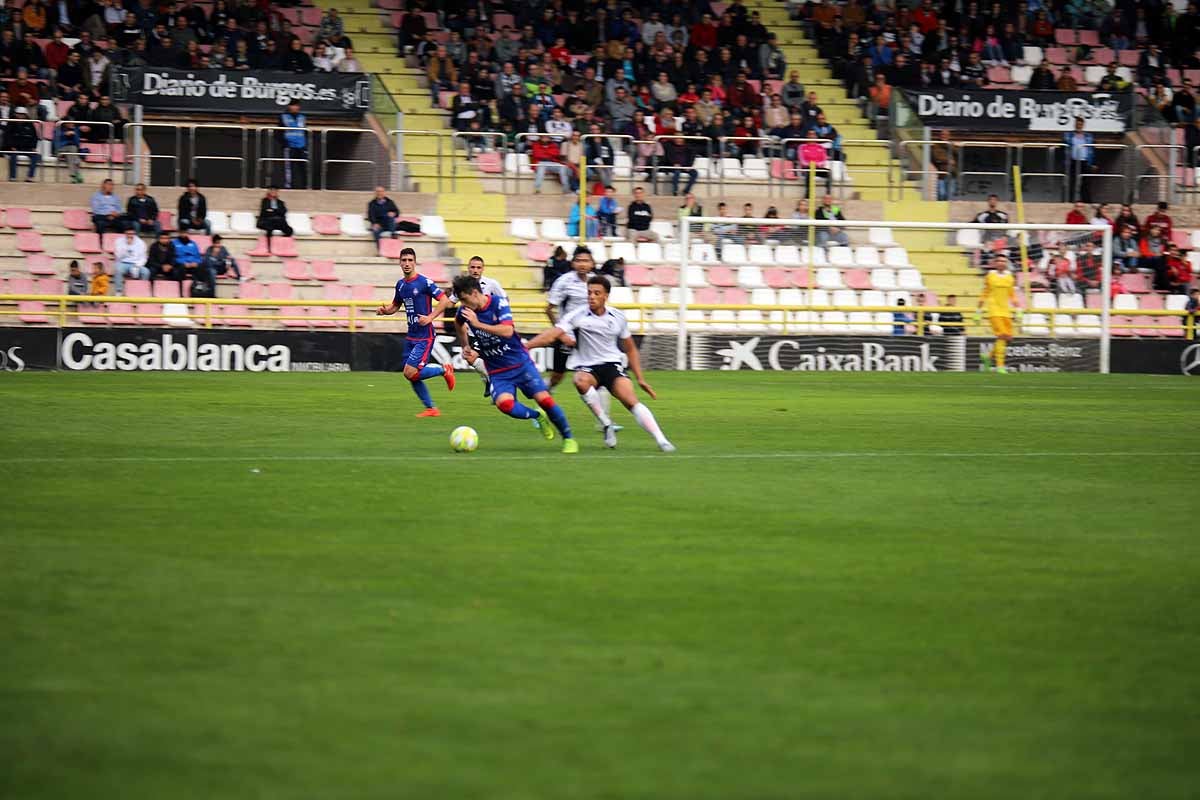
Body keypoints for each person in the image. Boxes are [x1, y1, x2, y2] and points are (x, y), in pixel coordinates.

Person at [527, 275, 674, 452]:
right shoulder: (577, 315)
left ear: (606, 296)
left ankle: (661, 440)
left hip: (612, 366)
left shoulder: (618, 316)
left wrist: (640, 379)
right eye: (589, 293)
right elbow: (553, 333)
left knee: (631, 401)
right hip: (588, 367)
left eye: (597, 293)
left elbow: (631, 349)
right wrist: (527, 345)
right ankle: (606, 423)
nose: (592, 296)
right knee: (580, 380)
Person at [451, 275, 578, 453]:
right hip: (497, 370)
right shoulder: (465, 311)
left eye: (464, 299)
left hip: (520, 363)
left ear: (474, 293)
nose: (462, 305)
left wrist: (477, 324)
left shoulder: (498, 303)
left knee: (545, 400)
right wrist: (465, 345)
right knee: (505, 405)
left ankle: (568, 439)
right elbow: (458, 323)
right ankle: (536, 416)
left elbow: (508, 330)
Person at [375, 247, 456, 417]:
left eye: (410, 260)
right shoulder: (401, 285)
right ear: (399, 262)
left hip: (424, 336)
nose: (406, 263)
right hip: (411, 335)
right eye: (403, 260)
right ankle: (431, 408)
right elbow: (396, 305)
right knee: (411, 375)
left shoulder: (424, 282)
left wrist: (430, 317)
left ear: (415, 262)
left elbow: (445, 300)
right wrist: (385, 311)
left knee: (410, 372)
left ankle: (444, 369)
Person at [447, 256, 506, 397]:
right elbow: (450, 302)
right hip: (473, 331)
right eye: (472, 267)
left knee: (479, 358)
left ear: (483, 269)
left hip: (489, 330)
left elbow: (504, 300)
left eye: (478, 267)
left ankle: (492, 382)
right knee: (470, 357)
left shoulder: (492, 284)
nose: (475, 270)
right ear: (468, 268)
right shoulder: (462, 286)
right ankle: (491, 381)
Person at [545, 247, 595, 391]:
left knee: (599, 372)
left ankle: (603, 413)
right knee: (557, 376)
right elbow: (548, 310)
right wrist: (561, 333)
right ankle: (544, 396)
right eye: (578, 261)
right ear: (573, 263)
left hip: (589, 335)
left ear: (592, 264)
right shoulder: (564, 281)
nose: (582, 264)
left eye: (586, 261)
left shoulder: (595, 281)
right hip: (567, 335)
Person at [977, 253, 1017, 373]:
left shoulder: (1010, 277)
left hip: (1006, 311)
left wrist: (1018, 308)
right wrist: (978, 310)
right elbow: (985, 292)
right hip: (994, 310)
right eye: (999, 261)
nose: (1001, 263)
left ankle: (988, 358)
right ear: (995, 263)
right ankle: (1000, 366)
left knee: (1008, 337)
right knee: (1002, 335)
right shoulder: (990, 276)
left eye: (1004, 261)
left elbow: (1012, 295)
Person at [1064, 117, 1095, 203]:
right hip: (1073, 161)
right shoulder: (1069, 135)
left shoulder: (1088, 136)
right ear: (1075, 124)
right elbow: (1065, 148)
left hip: (1085, 161)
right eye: (1077, 124)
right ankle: (1070, 201)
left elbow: (1091, 150)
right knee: (1072, 182)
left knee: (1086, 182)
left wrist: (1093, 163)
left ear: (1083, 125)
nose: (1079, 126)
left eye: (1080, 124)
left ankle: (1087, 201)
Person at [4, 107, 40, 181]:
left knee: (36, 156)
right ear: (15, 114)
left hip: (27, 147)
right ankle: (13, 177)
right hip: (14, 147)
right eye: (19, 114)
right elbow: (7, 136)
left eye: (22, 115)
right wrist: (11, 146)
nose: (21, 116)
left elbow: (34, 137)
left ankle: (30, 177)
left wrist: (33, 147)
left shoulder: (30, 124)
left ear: (26, 115)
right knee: (13, 156)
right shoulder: (10, 123)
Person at [279, 100, 307, 189]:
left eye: (296, 105)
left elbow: (305, 131)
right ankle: (288, 185)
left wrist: (306, 144)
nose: (295, 107)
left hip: (301, 146)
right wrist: (284, 143)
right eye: (293, 105)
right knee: (289, 167)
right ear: (289, 107)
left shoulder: (302, 117)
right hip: (289, 146)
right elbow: (278, 131)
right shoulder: (283, 117)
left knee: (303, 166)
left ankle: (305, 185)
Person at [112, 229, 149, 294]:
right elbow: (118, 256)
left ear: (134, 234)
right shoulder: (119, 241)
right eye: (128, 234)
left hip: (136, 264)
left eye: (132, 234)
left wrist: (137, 266)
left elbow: (143, 257)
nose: (130, 236)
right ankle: (118, 291)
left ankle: (141, 291)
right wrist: (127, 246)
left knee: (146, 272)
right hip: (122, 263)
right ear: (125, 233)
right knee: (118, 270)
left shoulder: (141, 243)